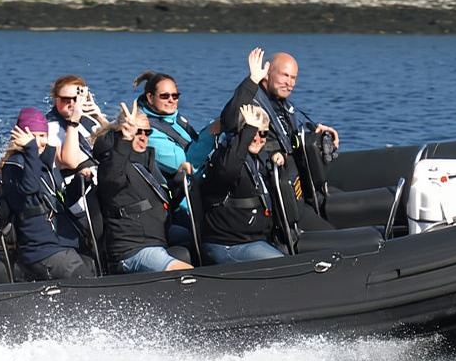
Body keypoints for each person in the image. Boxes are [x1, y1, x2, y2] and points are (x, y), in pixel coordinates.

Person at [220, 47, 338, 230]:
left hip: (297, 188)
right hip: (275, 197)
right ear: (267, 73)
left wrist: (318, 136)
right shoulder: (252, 100)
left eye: (293, 78)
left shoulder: (281, 104)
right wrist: (252, 80)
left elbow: (289, 138)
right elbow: (229, 120)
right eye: (285, 76)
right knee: (331, 234)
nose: (290, 83)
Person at [0, 107, 96, 280]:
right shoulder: (14, 166)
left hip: (61, 241)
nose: (39, 142)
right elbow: (30, 188)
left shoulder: (45, 164)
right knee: (81, 274)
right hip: (39, 249)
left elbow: (62, 199)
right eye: (33, 136)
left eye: (42, 135)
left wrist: (80, 180)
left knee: (92, 264)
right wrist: (31, 150)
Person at [95, 102, 191, 273]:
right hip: (132, 248)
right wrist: (125, 140)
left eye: (147, 132)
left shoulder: (146, 161)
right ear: (122, 132)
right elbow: (112, 181)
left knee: (189, 237)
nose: (143, 137)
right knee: (185, 272)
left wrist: (178, 182)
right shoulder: (112, 161)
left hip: (156, 236)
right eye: (137, 132)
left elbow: (164, 202)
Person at [134, 70, 217, 246]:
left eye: (175, 95)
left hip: (198, 193)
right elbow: (185, 162)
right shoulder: (147, 130)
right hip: (177, 203)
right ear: (150, 98)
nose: (171, 100)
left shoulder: (175, 119)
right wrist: (213, 132)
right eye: (165, 96)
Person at [199, 104, 284, 264]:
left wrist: (274, 154)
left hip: (255, 239)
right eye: (252, 132)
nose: (258, 138)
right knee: (280, 263)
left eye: (263, 133)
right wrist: (247, 131)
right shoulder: (224, 159)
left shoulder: (257, 159)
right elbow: (229, 171)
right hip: (228, 244)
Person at [45, 75, 108, 180]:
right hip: (76, 183)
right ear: (56, 100)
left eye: (76, 99)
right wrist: (73, 123)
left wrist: (99, 117)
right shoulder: (51, 127)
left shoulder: (88, 119)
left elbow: (115, 142)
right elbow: (70, 162)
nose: (72, 104)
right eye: (66, 100)